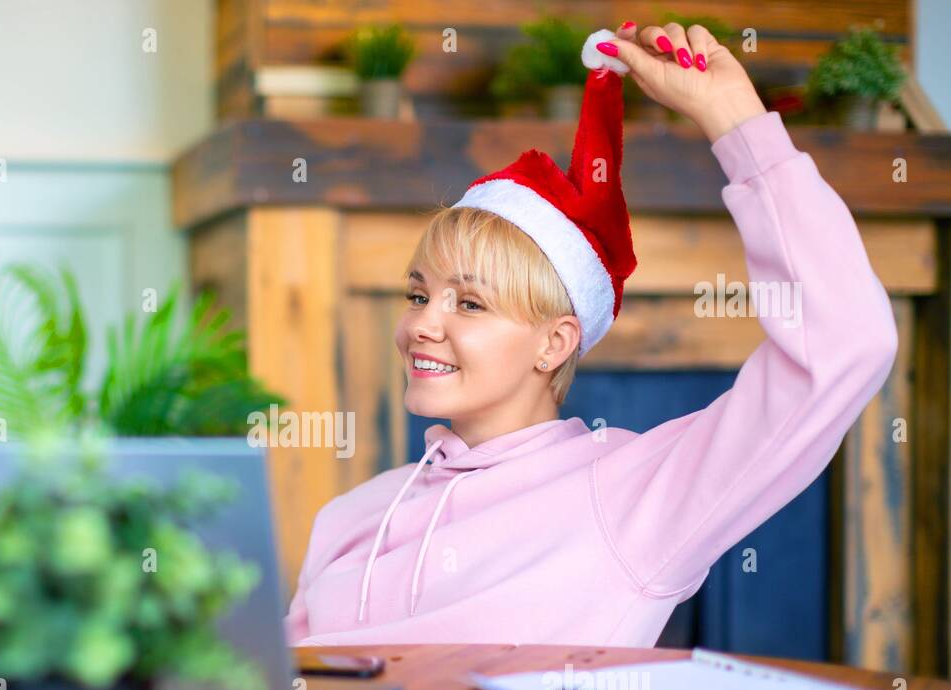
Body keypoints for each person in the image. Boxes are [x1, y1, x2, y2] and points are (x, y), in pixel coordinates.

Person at [284, 21, 898, 647]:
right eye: (418, 294)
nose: (421, 324)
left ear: (555, 343)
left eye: (469, 303)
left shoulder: (631, 498)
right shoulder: (352, 516)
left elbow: (845, 341)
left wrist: (734, 119)